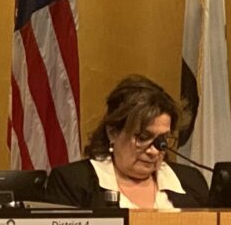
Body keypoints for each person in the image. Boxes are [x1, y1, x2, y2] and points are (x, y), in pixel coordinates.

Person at [45, 74, 208, 209]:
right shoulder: (73, 182)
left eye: (161, 140)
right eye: (143, 138)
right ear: (113, 133)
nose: (154, 151)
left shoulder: (190, 182)